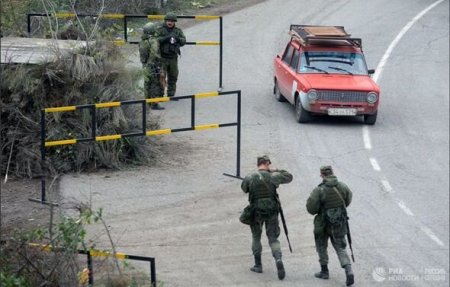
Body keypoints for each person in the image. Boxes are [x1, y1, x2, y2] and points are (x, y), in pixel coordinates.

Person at [241, 155, 293, 280]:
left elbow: (244, 189)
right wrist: (275, 170)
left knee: (256, 237)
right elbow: (289, 176)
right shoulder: (273, 176)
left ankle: (258, 265)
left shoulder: (250, 177)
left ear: (258, 164)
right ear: (267, 163)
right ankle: (278, 259)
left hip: (256, 212)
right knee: (273, 238)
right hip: (272, 212)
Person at [306, 165, 354, 286]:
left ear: (322, 175)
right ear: (332, 173)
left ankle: (324, 271)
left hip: (322, 223)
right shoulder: (342, 186)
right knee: (340, 247)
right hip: (338, 222)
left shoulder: (319, 190)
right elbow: (347, 200)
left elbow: (311, 209)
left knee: (321, 246)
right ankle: (348, 270)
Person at [155, 12, 186, 98]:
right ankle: (160, 95)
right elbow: (155, 40)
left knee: (173, 76)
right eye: (168, 20)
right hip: (162, 58)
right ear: (165, 21)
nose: (170, 22)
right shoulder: (160, 30)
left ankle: (171, 95)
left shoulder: (178, 31)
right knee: (161, 77)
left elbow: (184, 41)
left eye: (172, 21)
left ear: (174, 22)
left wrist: (178, 39)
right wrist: (165, 38)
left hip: (173, 58)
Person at [139, 22, 165, 110]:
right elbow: (154, 53)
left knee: (147, 84)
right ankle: (154, 104)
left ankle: (147, 102)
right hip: (153, 65)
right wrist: (157, 63)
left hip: (145, 65)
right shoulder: (153, 40)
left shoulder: (143, 40)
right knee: (155, 84)